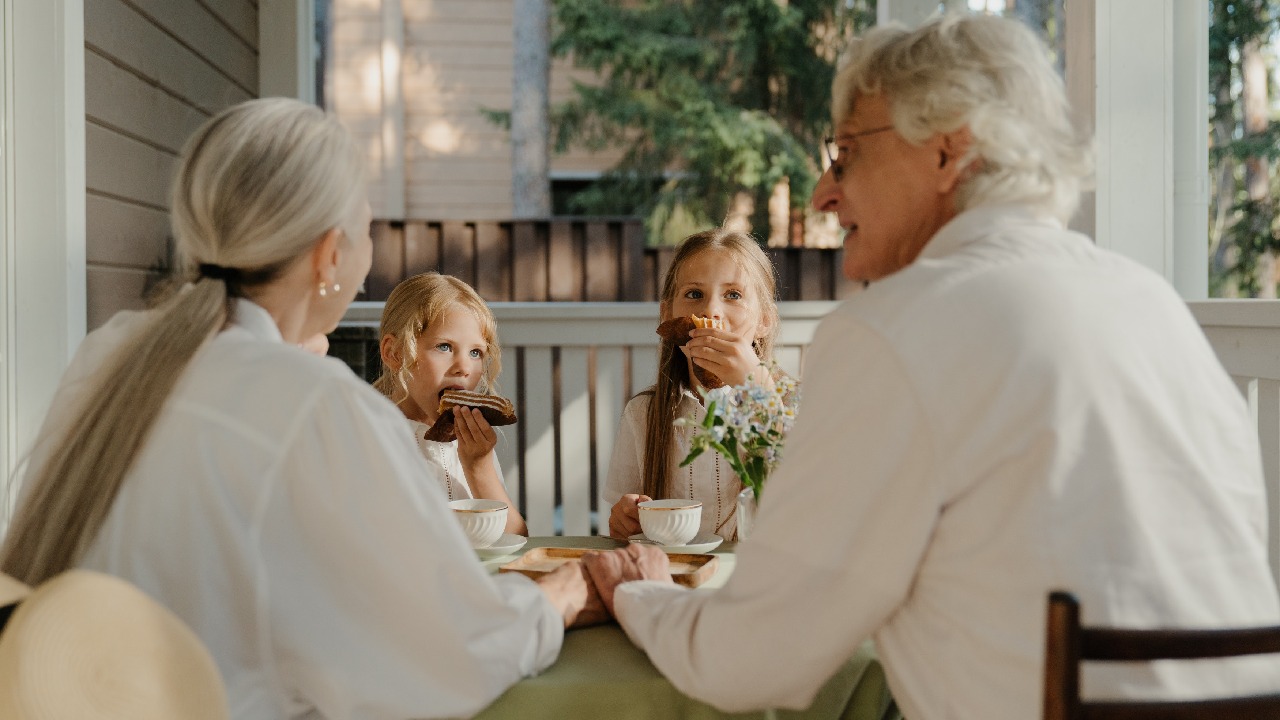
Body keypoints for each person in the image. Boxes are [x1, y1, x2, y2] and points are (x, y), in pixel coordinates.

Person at [581, 14, 1280, 720]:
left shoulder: (891, 330)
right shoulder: (1152, 306)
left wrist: (639, 588)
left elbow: (747, 659)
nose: (824, 193)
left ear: (948, 151)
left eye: (846, 154)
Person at [2, 98, 602, 720]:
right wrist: (562, 596)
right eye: (367, 231)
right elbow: (449, 658)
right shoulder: (318, 406)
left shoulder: (109, 353)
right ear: (328, 255)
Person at [602, 229, 782, 542]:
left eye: (733, 295)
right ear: (667, 315)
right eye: (694, 294)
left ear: (764, 321)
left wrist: (759, 389)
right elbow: (623, 525)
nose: (710, 311)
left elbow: (811, 504)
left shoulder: (793, 407)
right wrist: (624, 520)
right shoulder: (642, 414)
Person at [375, 272, 527, 535]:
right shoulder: (370, 435)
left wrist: (479, 468)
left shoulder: (470, 444)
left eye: (476, 352)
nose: (464, 367)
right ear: (395, 353)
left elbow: (516, 539)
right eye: (444, 347)